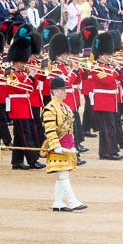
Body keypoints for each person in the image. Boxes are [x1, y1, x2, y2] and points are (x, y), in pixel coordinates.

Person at [40, 75, 84, 212]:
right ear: (54, 91)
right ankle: (72, 201)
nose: (65, 92)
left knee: (62, 175)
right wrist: (55, 145)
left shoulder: (65, 107)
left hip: (66, 145)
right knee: (63, 175)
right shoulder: (50, 109)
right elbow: (50, 129)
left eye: (65, 89)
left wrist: (72, 145)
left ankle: (58, 202)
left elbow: (70, 129)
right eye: (62, 90)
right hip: (57, 146)